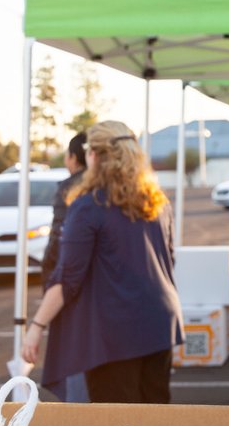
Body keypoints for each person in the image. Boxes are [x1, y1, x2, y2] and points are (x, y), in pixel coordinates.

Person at [21, 121, 183, 404]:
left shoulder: (88, 206)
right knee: (155, 420)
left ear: (93, 156)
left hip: (115, 333)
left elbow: (67, 278)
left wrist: (36, 326)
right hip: (159, 321)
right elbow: (169, 259)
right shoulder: (158, 202)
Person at [39, 130, 89, 403]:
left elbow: (58, 243)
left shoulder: (70, 189)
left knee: (75, 362)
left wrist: (49, 282)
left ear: (73, 158)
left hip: (71, 288)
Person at [40, 131, 88, 280]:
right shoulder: (107, 186)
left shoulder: (68, 188)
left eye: (67, 155)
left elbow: (59, 231)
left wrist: (48, 266)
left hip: (69, 267)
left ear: (73, 157)